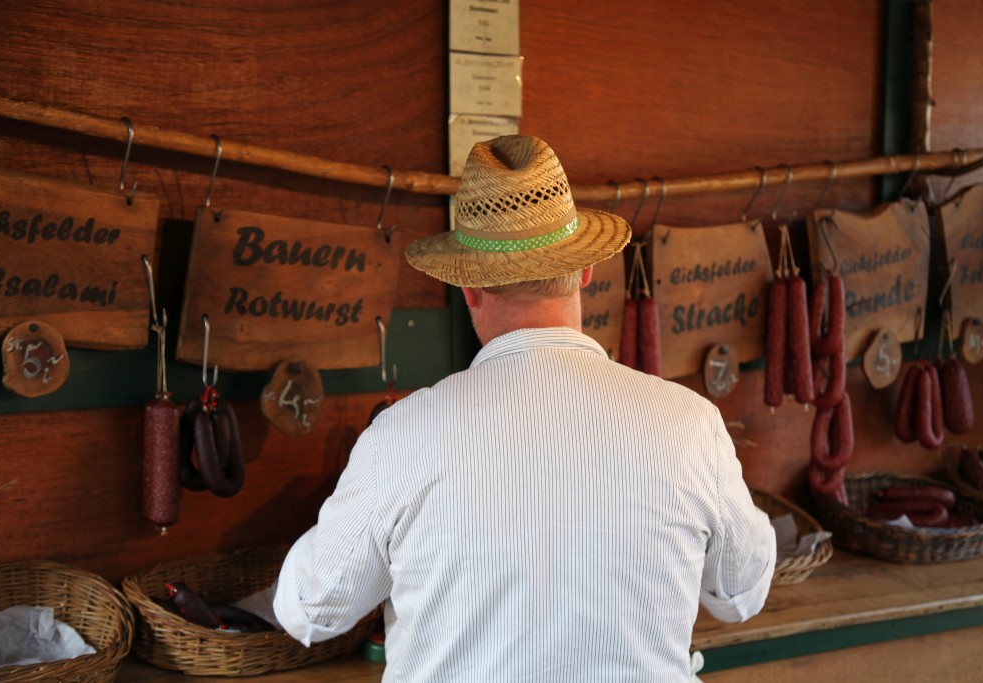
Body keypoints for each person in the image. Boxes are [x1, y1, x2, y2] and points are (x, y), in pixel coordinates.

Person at [273, 135, 776, 682]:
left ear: (469, 287)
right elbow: (740, 595)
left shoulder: (399, 437)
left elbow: (312, 611)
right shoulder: (690, 425)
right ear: (585, 271)